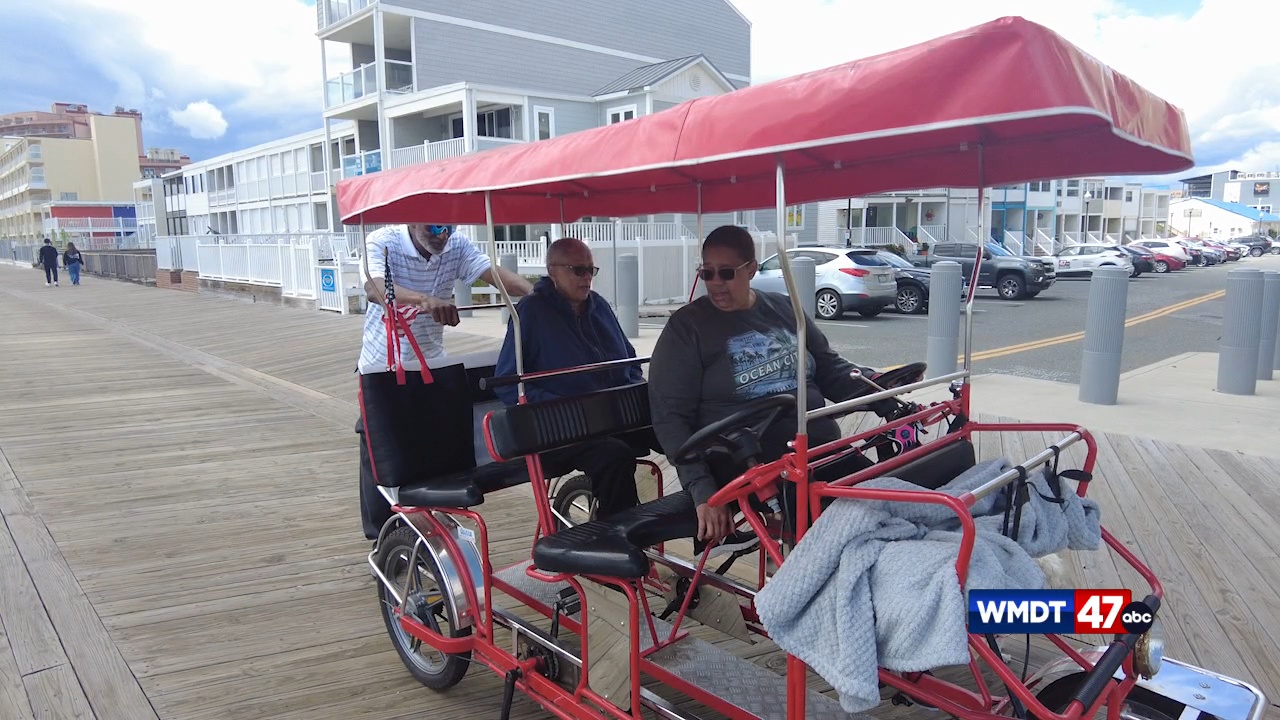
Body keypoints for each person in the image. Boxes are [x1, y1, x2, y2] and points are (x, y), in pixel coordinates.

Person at [648, 225, 897, 550]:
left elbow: (829, 368)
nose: (716, 284)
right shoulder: (688, 328)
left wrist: (878, 389)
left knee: (888, 502)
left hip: (816, 454)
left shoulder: (784, 308)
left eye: (725, 273)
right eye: (707, 273)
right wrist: (702, 489)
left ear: (751, 268)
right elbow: (669, 418)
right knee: (848, 537)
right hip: (748, 464)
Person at [356, 223, 533, 540]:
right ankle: (382, 537)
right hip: (384, 362)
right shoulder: (383, 242)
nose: (443, 235)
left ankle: (429, 518)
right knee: (380, 450)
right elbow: (374, 288)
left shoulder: (457, 245)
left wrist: (538, 293)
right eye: (434, 226)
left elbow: (491, 272)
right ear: (412, 220)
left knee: (433, 441)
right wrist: (424, 300)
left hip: (431, 358)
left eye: (448, 227)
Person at [495, 237, 657, 518]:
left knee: (675, 426)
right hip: (559, 430)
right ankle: (621, 540)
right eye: (578, 270)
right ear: (552, 270)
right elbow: (510, 382)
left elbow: (629, 360)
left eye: (590, 270)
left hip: (614, 415)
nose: (586, 278)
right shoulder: (530, 313)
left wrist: (633, 391)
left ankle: (709, 514)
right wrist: (563, 409)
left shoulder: (600, 307)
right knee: (613, 455)